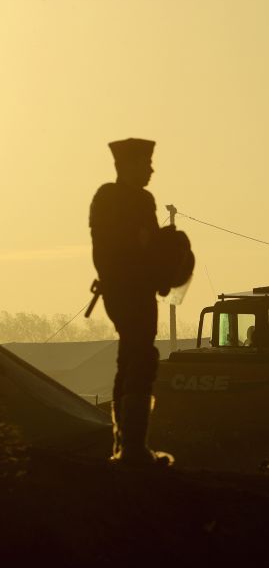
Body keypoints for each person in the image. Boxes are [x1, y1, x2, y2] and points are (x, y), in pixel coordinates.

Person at [89, 138, 173, 466]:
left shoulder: (137, 198)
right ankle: (133, 449)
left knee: (131, 357)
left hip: (131, 289)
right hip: (128, 290)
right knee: (141, 356)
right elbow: (116, 250)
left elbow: (149, 246)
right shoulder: (113, 197)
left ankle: (124, 446)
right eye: (145, 163)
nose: (151, 169)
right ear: (127, 166)